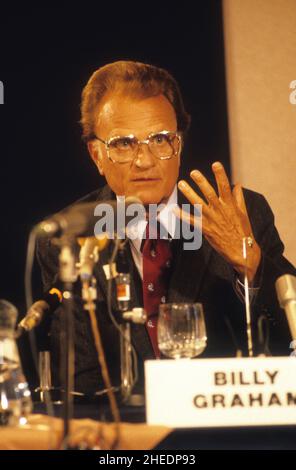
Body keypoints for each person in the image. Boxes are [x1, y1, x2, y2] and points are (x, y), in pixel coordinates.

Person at [37, 60, 296, 396]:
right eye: (124, 144)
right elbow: (81, 379)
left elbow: (287, 339)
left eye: (161, 139)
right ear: (97, 155)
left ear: (180, 144)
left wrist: (251, 267)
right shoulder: (68, 238)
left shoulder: (240, 214)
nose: (145, 161)